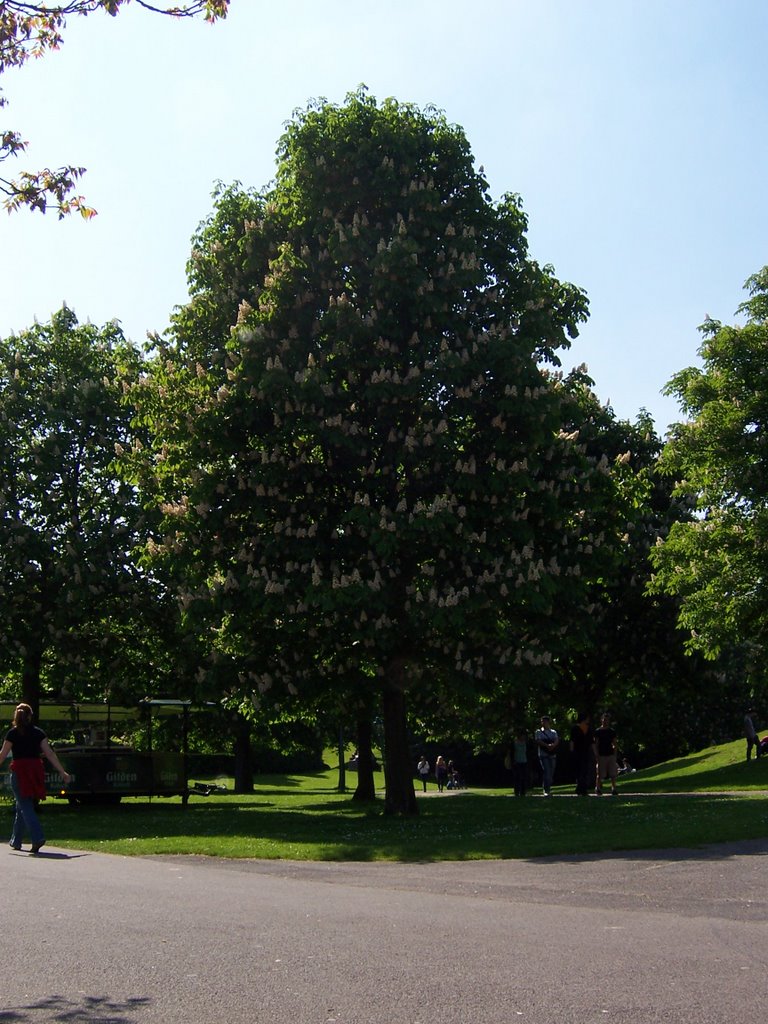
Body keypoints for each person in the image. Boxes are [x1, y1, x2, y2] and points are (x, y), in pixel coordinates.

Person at [1, 703, 72, 854]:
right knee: (23, 803)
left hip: (19, 771)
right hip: (35, 771)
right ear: (30, 716)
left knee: (24, 804)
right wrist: (62, 772)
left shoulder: (12, 733)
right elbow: (50, 754)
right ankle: (16, 840)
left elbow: (2, 754)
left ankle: (37, 837)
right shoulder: (38, 733)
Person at [593, 713, 619, 796]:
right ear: (601, 720)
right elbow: (596, 744)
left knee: (613, 773)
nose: (605, 721)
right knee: (600, 774)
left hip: (610, 754)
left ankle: (614, 788)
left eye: (606, 720)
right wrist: (596, 755)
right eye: (604, 719)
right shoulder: (598, 731)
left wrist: (615, 755)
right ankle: (598, 788)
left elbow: (614, 743)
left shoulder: (611, 731)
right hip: (601, 755)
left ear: (608, 721)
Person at [569, 711, 594, 796]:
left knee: (585, 771)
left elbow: (591, 742)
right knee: (579, 771)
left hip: (586, 752)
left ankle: (581, 788)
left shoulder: (589, 729)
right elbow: (572, 741)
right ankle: (581, 789)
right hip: (577, 752)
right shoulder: (575, 729)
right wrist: (572, 752)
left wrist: (595, 753)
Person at [535, 716, 559, 796]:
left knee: (551, 772)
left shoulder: (553, 732)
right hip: (543, 755)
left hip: (552, 755)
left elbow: (556, 740)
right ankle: (546, 790)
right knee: (547, 771)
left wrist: (553, 745)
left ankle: (547, 786)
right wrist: (547, 745)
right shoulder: (538, 732)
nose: (543, 723)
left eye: (544, 721)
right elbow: (538, 741)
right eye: (542, 721)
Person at [512, 728, 529, 797]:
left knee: (524, 778)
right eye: (522, 735)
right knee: (517, 778)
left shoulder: (526, 743)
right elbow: (512, 752)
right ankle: (516, 792)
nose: (523, 737)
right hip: (517, 762)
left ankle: (523, 792)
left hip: (524, 761)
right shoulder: (514, 743)